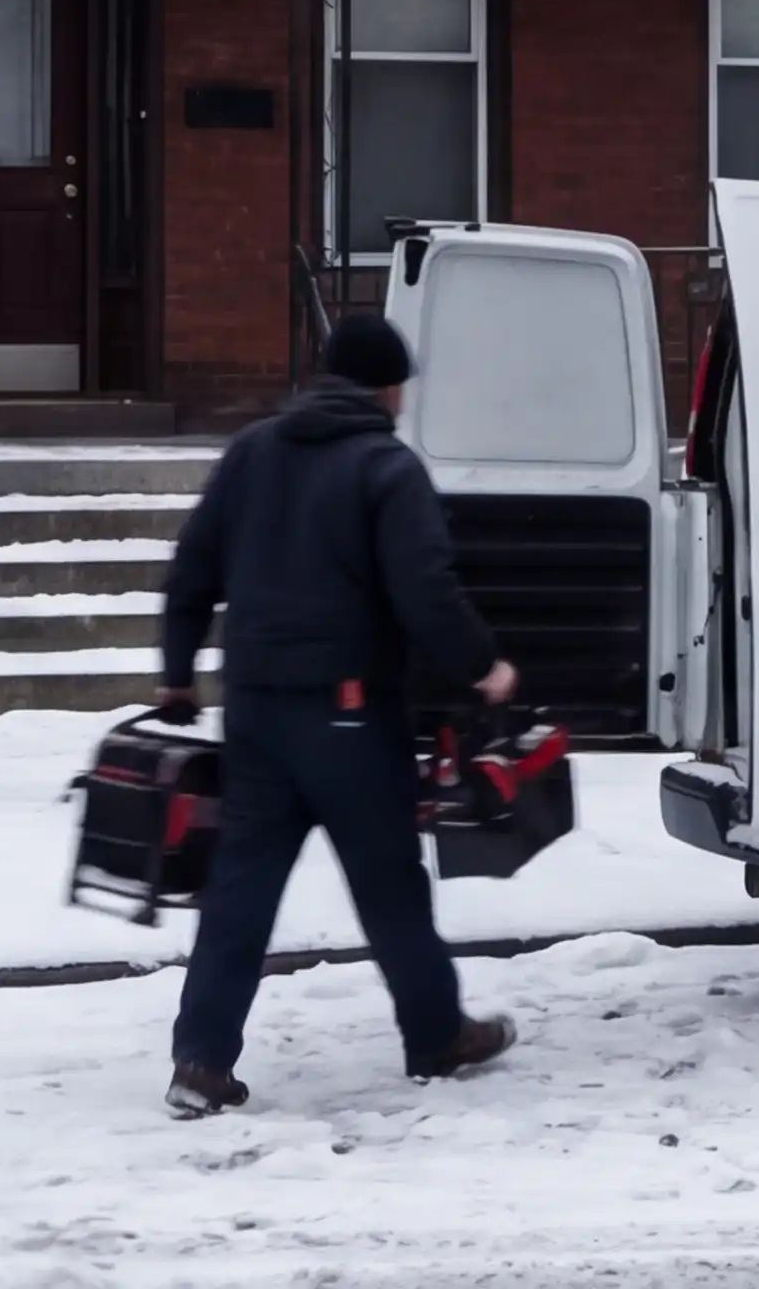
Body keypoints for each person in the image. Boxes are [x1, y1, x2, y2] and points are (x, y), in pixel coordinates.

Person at [150, 310, 519, 1118]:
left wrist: (177, 675)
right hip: (349, 717)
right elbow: (425, 590)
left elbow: (192, 569)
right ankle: (435, 1035)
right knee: (389, 888)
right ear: (385, 386)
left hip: (253, 711)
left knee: (239, 892)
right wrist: (483, 666)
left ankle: (201, 1062)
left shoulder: (251, 452)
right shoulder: (385, 468)